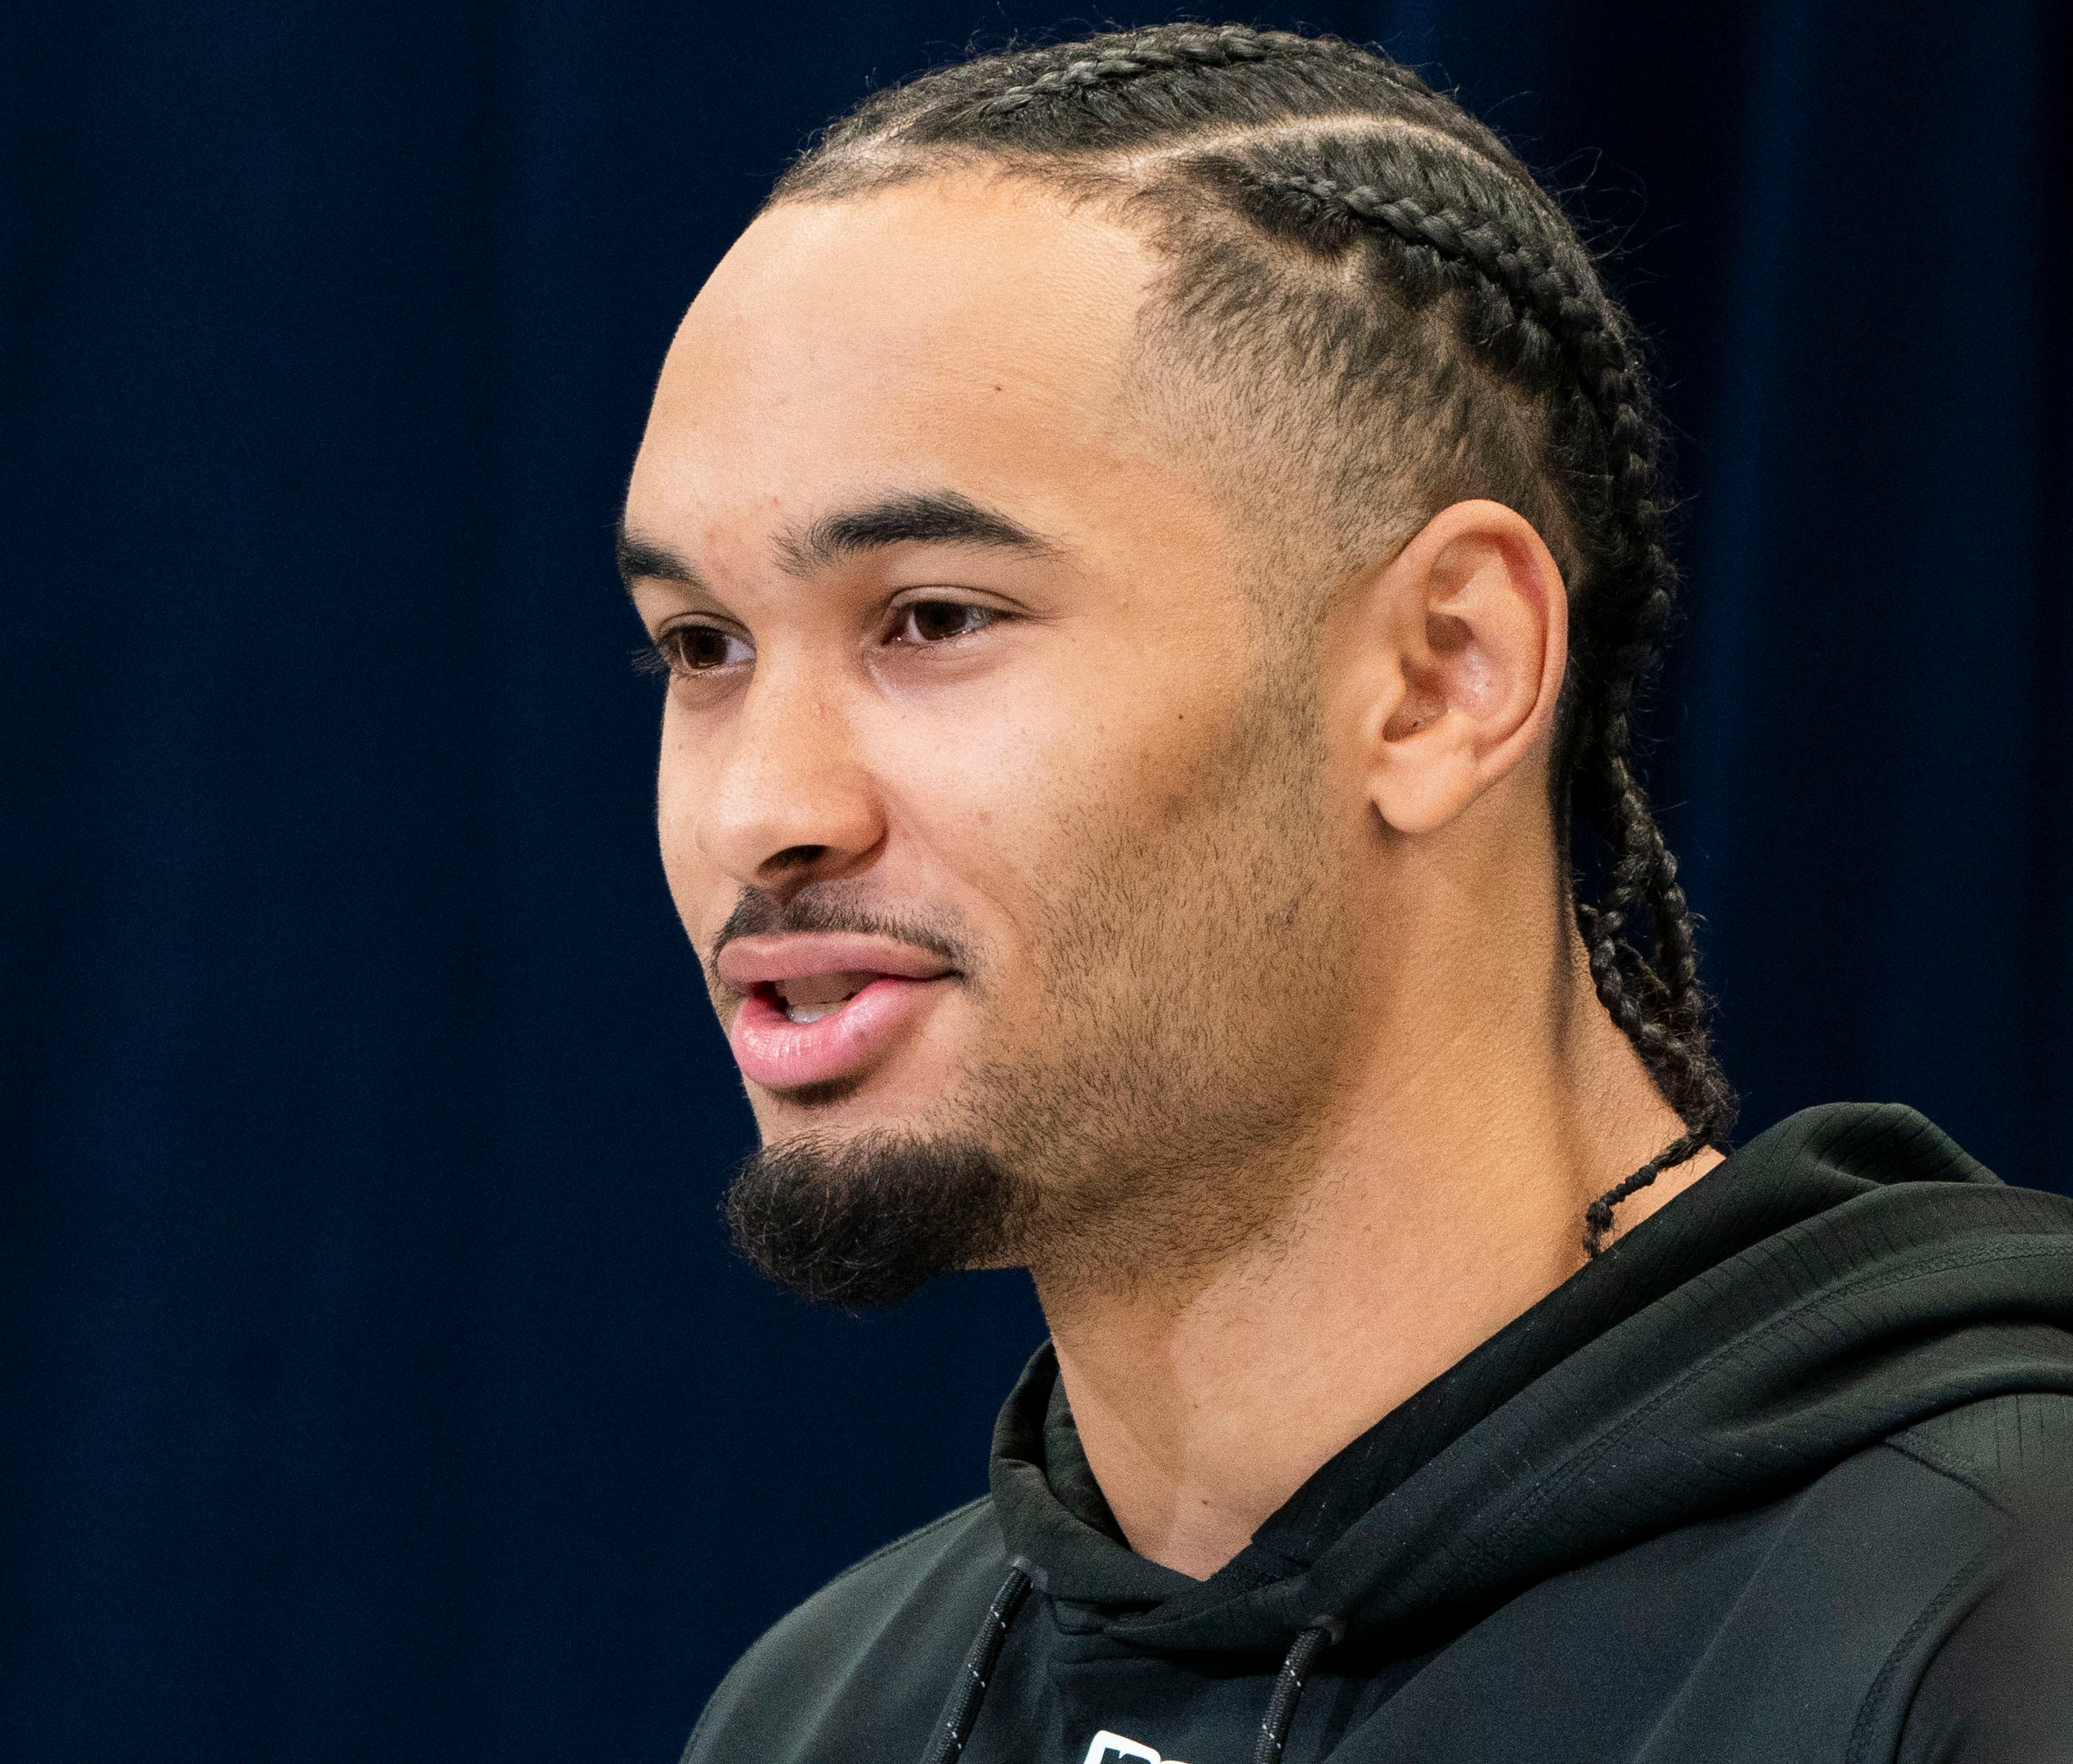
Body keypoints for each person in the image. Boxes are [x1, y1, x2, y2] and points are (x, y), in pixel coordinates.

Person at [618, 24, 2073, 1763]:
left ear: (1442, 673)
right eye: (699, 647)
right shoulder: (827, 1712)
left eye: (932, 617)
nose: (764, 807)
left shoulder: (1987, 1606)